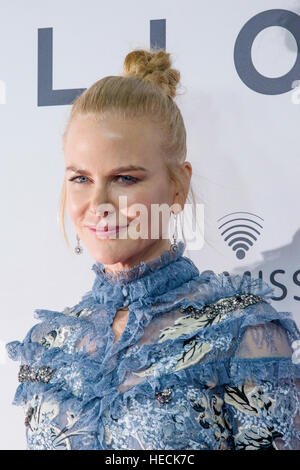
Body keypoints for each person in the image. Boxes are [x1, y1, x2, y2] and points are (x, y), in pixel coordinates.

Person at [6, 48, 300, 450]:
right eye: (80, 178)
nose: (98, 203)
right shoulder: (47, 344)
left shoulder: (242, 331)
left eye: (124, 178)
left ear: (177, 186)